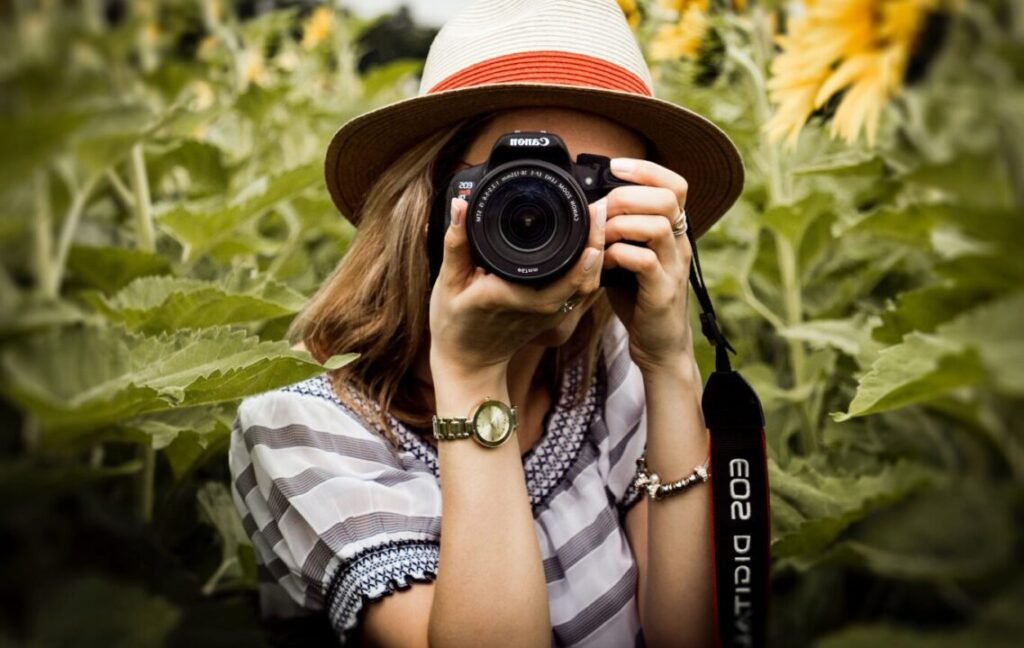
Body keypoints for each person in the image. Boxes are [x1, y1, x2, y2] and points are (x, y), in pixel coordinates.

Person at [228, 0, 744, 646]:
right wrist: (471, 376)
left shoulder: (606, 362)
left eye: (591, 191)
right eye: (518, 185)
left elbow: (689, 637)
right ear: (427, 203)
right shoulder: (300, 430)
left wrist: (670, 365)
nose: (555, 219)